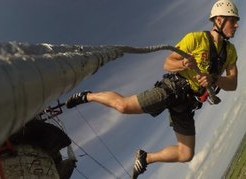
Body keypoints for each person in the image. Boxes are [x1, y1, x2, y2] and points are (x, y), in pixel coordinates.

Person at [65, 0, 239, 178]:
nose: (237, 25)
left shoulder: (230, 51)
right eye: (233, 21)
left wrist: (214, 79)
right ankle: (87, 96)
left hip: (187, 104)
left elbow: (233, 83)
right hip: (172, 89)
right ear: (219, 20)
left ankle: (146, 158)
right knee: (123, 106)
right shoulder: (195, 39)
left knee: (186, 154)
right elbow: (168, 64)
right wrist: (184, 63)